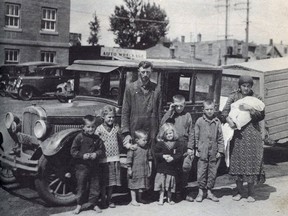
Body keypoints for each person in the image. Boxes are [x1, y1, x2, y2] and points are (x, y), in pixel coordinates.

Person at [221, 75, 265, 202]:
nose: (246, 88)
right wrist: (229, 121)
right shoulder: (234, 96)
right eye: (243, 86)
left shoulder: (257, 98)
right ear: (239, 86)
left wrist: (250, 109)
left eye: (248, 86)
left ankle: (251, 193)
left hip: (252, 133)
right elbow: (224, 113)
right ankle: (240, 191)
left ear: (251, 87)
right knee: (237, 161)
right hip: (237, 134)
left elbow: (261, 116)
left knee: (252, 161)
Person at [188, 100, 224, 202]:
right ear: (203, 110)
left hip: (213, 152)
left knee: (212, 172)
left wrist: (220, 151)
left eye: (211, 109)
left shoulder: (217, 122)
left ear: (214, 109)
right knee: (201, 172)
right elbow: (195, 136)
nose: (209, 111)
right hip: (202, 151)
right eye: (207, 109)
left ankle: (209, 192)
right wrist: (195, 149)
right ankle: (200, 192)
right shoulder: (199, 121)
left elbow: (220, 137)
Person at [121, 61, 162, 150]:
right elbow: (125, 111)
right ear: (138, 71)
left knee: (151, 158)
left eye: (148, 72)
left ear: (151, 72)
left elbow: (159, 112)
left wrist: (159, 132)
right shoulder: (130, 88)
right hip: (135, 130)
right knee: (135, 158)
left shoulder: (157, 89)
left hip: (151, 131)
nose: (145, 75)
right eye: (143, 72)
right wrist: (126, 132)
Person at [160, 94, 194, 201]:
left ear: (184, 105)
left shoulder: (187, 115)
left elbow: (191, 132)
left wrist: (190, 147)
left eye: (181, 106)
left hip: (184, 146)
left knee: (185, 168)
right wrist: (169, 112)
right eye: (177, 106)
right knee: (173, 170)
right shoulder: (171, 115)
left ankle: (183, 192)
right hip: (173, 146)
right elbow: (162, 125)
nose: (179, 108)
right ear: (173, 105)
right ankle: (173, 194)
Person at [70, 115, 104, 214]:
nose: (91, 129)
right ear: (83, 127)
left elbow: (101, 150)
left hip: (94, 166)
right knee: (81, 186)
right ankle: (79, 205)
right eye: (88, 127)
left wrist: (95, 154)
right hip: (81, 167)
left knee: (95, 186)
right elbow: (73, 151)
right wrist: (82, 155)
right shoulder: (79, 137)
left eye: (93, 127)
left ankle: (94, 204)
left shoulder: (97, 138)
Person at [95, 105, 122, 209]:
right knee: (103, 182)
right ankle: (102, 200)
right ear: (103, 117)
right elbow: (96, 142)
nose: (111, 119)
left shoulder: (116, 128)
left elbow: (121, 139)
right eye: (109, 117)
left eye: (113, 117)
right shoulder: (99, 129)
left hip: (114, 158)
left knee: (111, 182)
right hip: (103, 159)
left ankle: (110, 199)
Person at [154, 123, 183, 205]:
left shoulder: (177, 143)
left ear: (173, 133)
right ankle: (161, 199)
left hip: (171, 168)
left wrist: (173, 158)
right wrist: (163, 156)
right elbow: (155, 153)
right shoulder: (160, 143)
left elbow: (179, 154)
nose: (169, 135)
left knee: (170, 184)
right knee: (162, 184)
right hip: (162, 168)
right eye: (166, 134)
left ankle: (169, 198)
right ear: (163, 134)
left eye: (170, 133)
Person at [126, 130, 152, 206]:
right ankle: (133, 200)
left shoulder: (147, 148)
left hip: (143, 170)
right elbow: (129, 159)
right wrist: (129, 169)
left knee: (141, 185)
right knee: (134, 185)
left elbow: (149, 158)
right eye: (144, 140)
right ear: (137, 140)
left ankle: (139, 198)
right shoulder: (133, 148)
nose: (146, 142)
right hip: (135, 170)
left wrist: (150, 168)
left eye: (146, 140)